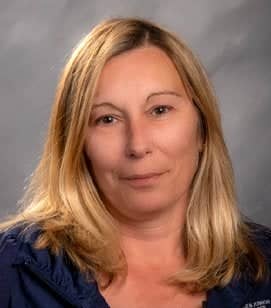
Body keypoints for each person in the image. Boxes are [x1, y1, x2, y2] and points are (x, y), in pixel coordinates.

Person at [0, 17, 270, 308]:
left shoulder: (263, 265)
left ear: (202, 128)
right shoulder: (13, 271)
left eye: (159, 110)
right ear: (77, 143)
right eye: (107, 119)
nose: (138, 145)